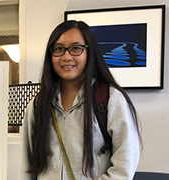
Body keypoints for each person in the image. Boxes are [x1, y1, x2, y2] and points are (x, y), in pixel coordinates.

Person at [19, 20, 141, 180]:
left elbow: (124, 164)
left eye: (76, 48)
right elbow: (27, 163)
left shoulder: (110, 99)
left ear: (89, 52)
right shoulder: (38, 104)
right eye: (58, 49)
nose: (66, 56)